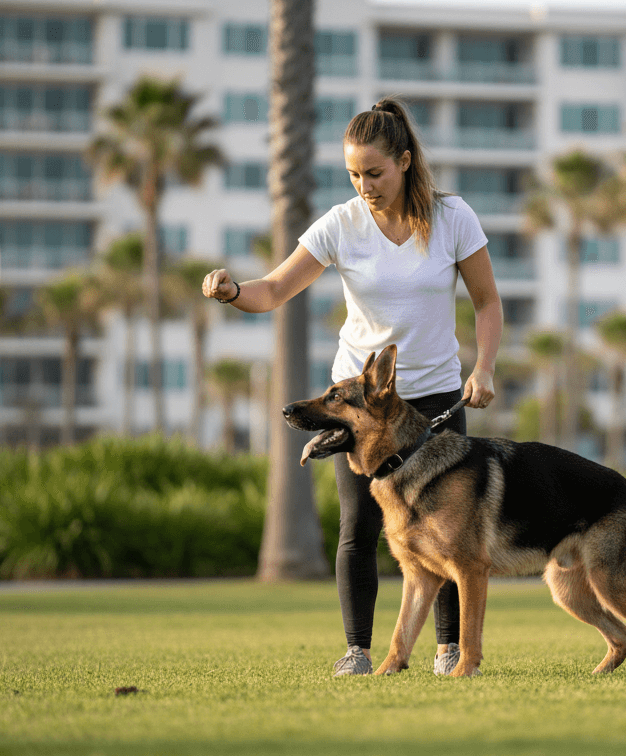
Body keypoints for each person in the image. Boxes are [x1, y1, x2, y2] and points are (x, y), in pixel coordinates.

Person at [202, 98, 503, 676]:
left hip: (436, 399)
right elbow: (273, 290)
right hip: (361, 404)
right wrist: (233, 290)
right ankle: (358, 651)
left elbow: (487, 303)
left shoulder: (453, 217)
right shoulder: (341, 224)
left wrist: (483, 367)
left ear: (406, 162)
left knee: (445, 527)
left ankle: (446, 651)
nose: (364, 186)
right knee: (358, 525)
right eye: (354, 175)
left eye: (375, 173)